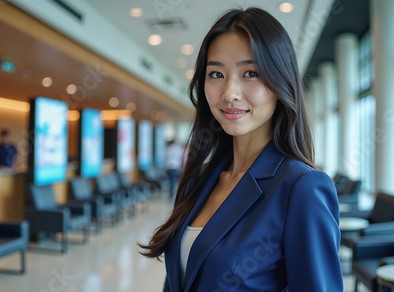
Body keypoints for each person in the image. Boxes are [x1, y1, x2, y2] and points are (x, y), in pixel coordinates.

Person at [139, 7, 343, 292]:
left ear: (280, 83)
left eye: (250, 73)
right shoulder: (201, 178)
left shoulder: (301, 187)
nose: (229, 93)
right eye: (216, 74)